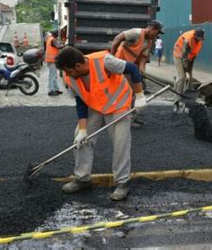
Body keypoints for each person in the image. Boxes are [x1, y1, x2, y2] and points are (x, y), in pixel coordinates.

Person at [55, 46, 146, 201]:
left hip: (119, 105)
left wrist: (139, 96)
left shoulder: (104, 61)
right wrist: (83, 130)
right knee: (80, 137)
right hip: (97, 106)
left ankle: (122, 183)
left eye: (68, 70)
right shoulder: (71, 78)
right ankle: (82, 179)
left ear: (77, 66)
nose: (67, 74)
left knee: (120, 142)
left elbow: (132, 68)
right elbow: (81, 102)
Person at [111, 20, 164, 125]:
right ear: (153, 29)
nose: (157, 36)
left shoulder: (148, 42)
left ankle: (130, 115)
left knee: (133, 91)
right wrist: (112, 57)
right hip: (120, 63)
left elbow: (143, 58)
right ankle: (120, 115)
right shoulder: (136, 33)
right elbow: (118, 39)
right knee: (126, 91)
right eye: (157, 33)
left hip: (129, 67)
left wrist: (141, 70)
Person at [172, 28, 205, 112]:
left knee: (189, 78)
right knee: (182, 77)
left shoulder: (200, 41)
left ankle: (188, 101)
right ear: (195, 36)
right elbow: (184, 57)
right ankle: (176, 102)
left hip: (190, 58)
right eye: (198, 39)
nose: (199, 40)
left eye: (200, 39)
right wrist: (185, 68)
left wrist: (189, 71)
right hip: (179, 55)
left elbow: (194, 54)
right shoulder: (187, 40)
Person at [45, 30, 65, 96]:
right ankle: (50, 90)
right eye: (57, 33)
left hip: (51, 60)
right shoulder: (52, 40)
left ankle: (56, 89)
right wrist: (66, 45)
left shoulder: (49, 39)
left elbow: (57, 45)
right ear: (54, 34)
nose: (57, 34)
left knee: (54, 76)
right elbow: (58, 47)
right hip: (52, 60)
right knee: (52, 76)